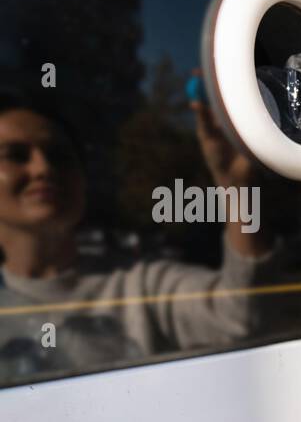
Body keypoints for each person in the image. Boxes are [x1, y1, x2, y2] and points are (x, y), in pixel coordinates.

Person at [0, 90, 277, 383]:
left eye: (60, 157)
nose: (43, 168)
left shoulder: (140, 286)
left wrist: (237, 187)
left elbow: (243, 318)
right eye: (15, 156)